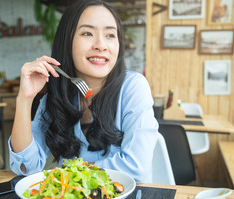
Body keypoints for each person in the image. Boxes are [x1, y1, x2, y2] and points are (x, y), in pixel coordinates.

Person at [9, 0, 158, 183]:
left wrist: (64, 176)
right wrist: (24, 99)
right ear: (67, 41)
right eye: (87, 33)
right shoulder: (58, 94)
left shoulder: (133, 88)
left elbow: (136, 169)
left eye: (110, 35)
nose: (101, 45)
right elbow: (26, 166)